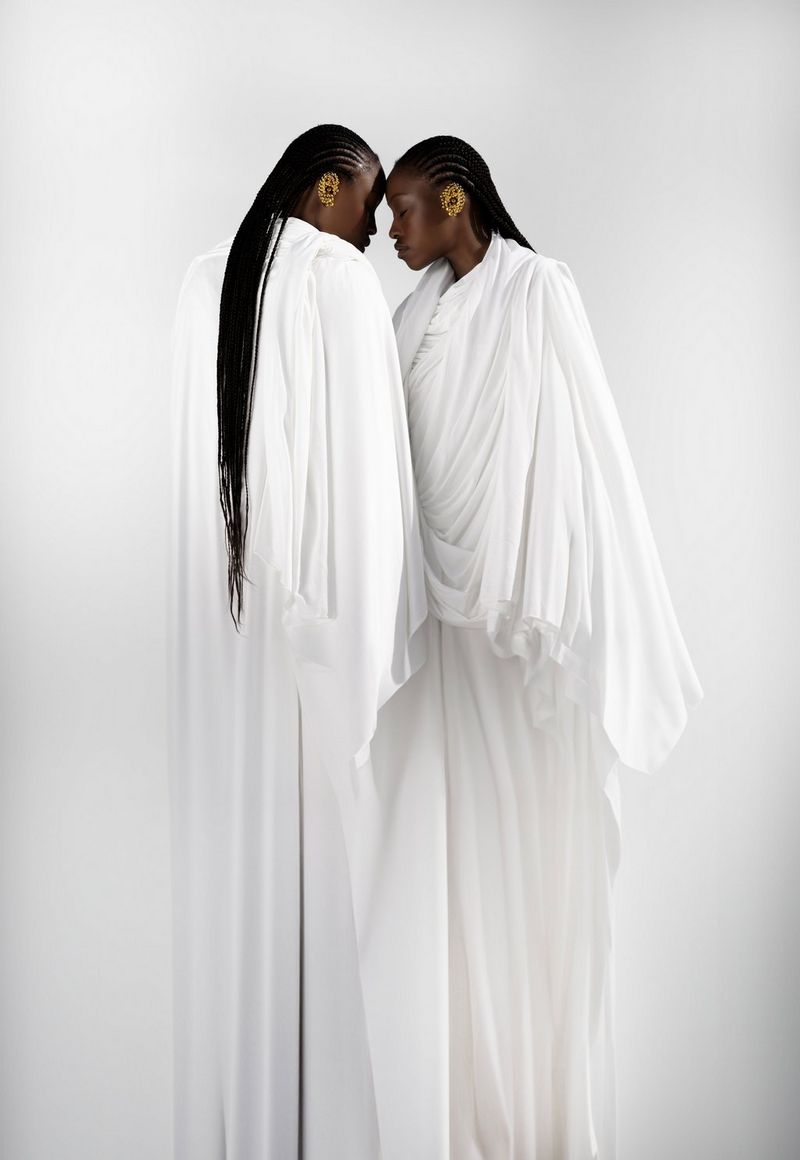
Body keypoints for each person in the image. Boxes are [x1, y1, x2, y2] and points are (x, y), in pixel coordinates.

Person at [386, 136, 704, 1159]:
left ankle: (543, 1127)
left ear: (452, 198)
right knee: (452, 891)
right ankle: (464, 1125)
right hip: (443, 652)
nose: (391, 233)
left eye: (403, 212)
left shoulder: (538, 294)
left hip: (523, 647)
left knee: (531, 884)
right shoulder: (412, 319)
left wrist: (551, 592)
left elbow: (583, 451)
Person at [168, 124, 430, 1160]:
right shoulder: (331, 280)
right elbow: (367, 497)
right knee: (326, 918)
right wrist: (371, 665)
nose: (372, 233)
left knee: (242, 911)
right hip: (309, 663)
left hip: (226, 657)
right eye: (368, 208)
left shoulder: (205, 281)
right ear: (327, 188)